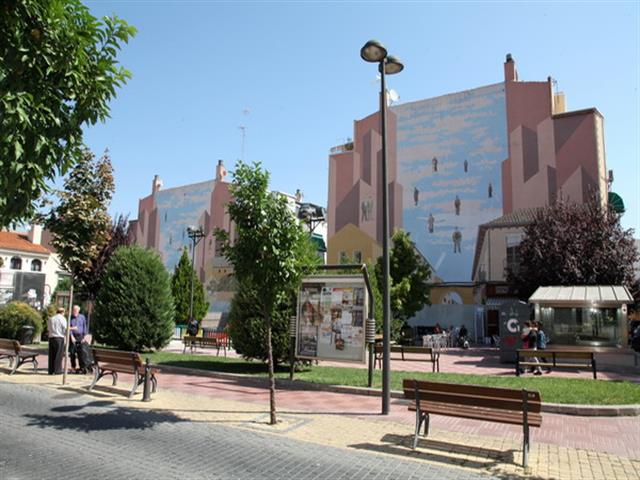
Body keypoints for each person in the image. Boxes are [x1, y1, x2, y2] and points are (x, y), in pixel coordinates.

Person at [69, 305, 89, 374]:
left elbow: (84, 327)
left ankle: (82, 367)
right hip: (73, 336)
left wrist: (84, 337)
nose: (74, 311)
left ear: (78, 310)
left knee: (81, 353)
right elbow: (69, 328)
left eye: (76, 310)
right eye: (73, 310)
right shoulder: (70, 317)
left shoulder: (82, 317)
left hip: (80, 336)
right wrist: (71, 336)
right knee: (72, 353)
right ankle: (73, 367)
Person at [47, 307, 66, 375]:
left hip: (51, 337)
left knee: (51, 354)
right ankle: (57, 370)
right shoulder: (62, 318)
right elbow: (65, 328)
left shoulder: (52, 318)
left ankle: (51, 370)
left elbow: (48, 328)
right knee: (58, 355)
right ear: (62, 312)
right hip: (59, 337)